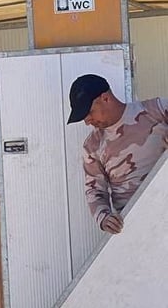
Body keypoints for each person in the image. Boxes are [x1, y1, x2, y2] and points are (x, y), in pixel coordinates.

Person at [68, 74, 168, 235]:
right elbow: (94, 191)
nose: (87, 121)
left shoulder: (156, 110)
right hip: (136, 226)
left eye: (89, 112)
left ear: (105, 98)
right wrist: (104, 218)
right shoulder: (92, 146)